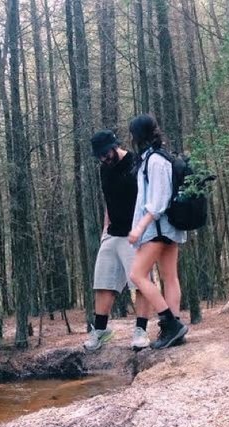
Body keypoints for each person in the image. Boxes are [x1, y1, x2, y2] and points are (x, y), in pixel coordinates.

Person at [84, 130, 152, 351]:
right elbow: (108, 200)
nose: (103, 158)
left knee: (140, 283)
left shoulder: (135, 163)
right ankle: (101, 331)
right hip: (113, 234)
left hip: (136, 234)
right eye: (99, 156)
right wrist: (106, 228)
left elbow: (148, 198)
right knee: (102, 281)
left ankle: (141, 331)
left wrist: (144, 229)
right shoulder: (105, 170)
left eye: (105, 153)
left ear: (114, 146)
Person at [127, 114, 188, 349]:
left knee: (137, 275)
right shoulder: (157, 158)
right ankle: (175, 331)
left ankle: (170, 323)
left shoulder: (154, 161)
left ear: (138, 135)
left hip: (157, 228)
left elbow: (158, 201)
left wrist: (140, 227)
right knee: (169, 277)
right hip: (166, 228)